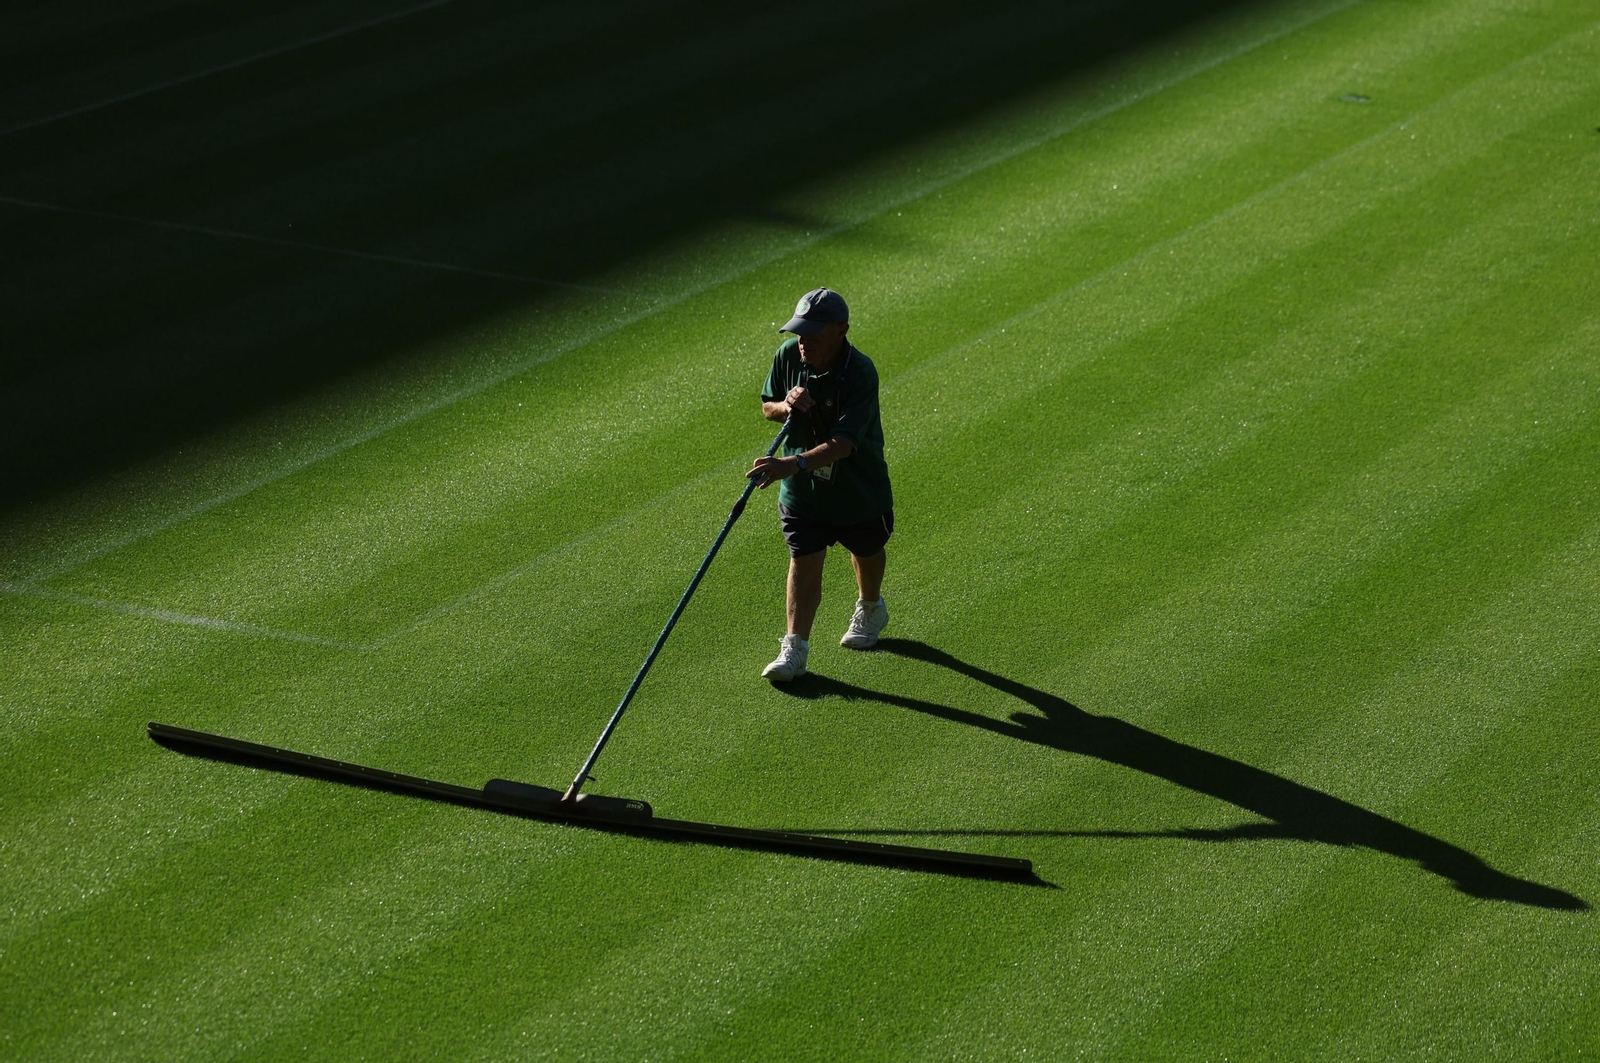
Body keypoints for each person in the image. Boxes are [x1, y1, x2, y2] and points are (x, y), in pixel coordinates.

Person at [746, 287, 894, 681]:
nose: (803, 340)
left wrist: (790, 465)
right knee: (804, 558)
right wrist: (787, 405)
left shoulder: (860, 372)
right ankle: (794, 649)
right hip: (801, 490)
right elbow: (768, 406)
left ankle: (871, 606)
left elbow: (844, 444)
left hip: (856, 488)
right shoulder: (790, 355)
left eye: (812, 331)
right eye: (799, 330)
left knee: (867, 548)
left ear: (841, 330)